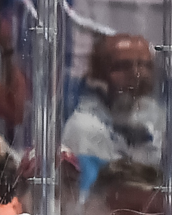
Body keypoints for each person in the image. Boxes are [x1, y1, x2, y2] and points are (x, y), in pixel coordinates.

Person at [61, 33, 161, 173]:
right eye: (123, 66)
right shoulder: (85, 128)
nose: (137, 74)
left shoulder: (156, 122)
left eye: (145, 65)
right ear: (98, 75)